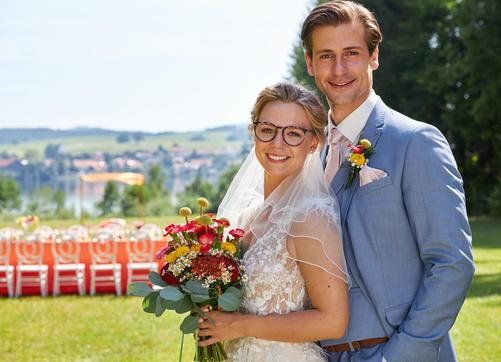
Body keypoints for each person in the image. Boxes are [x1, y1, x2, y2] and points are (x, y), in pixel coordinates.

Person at [300, 1, 475, 361]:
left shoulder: (415, 142)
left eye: (351, 53)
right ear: (310, 63)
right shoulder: (308, 157)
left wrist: (400, 356)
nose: (339, 68)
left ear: (373, 57)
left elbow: (451, 263)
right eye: (326, 56)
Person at [197, 81, 350, 361]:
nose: (277, 144)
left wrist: (239, 326)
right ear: (254, 133)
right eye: (267, 130)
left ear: (313, 143)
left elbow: (333, 321)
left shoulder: (310, 217)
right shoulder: (249, 216)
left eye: (293, 133)